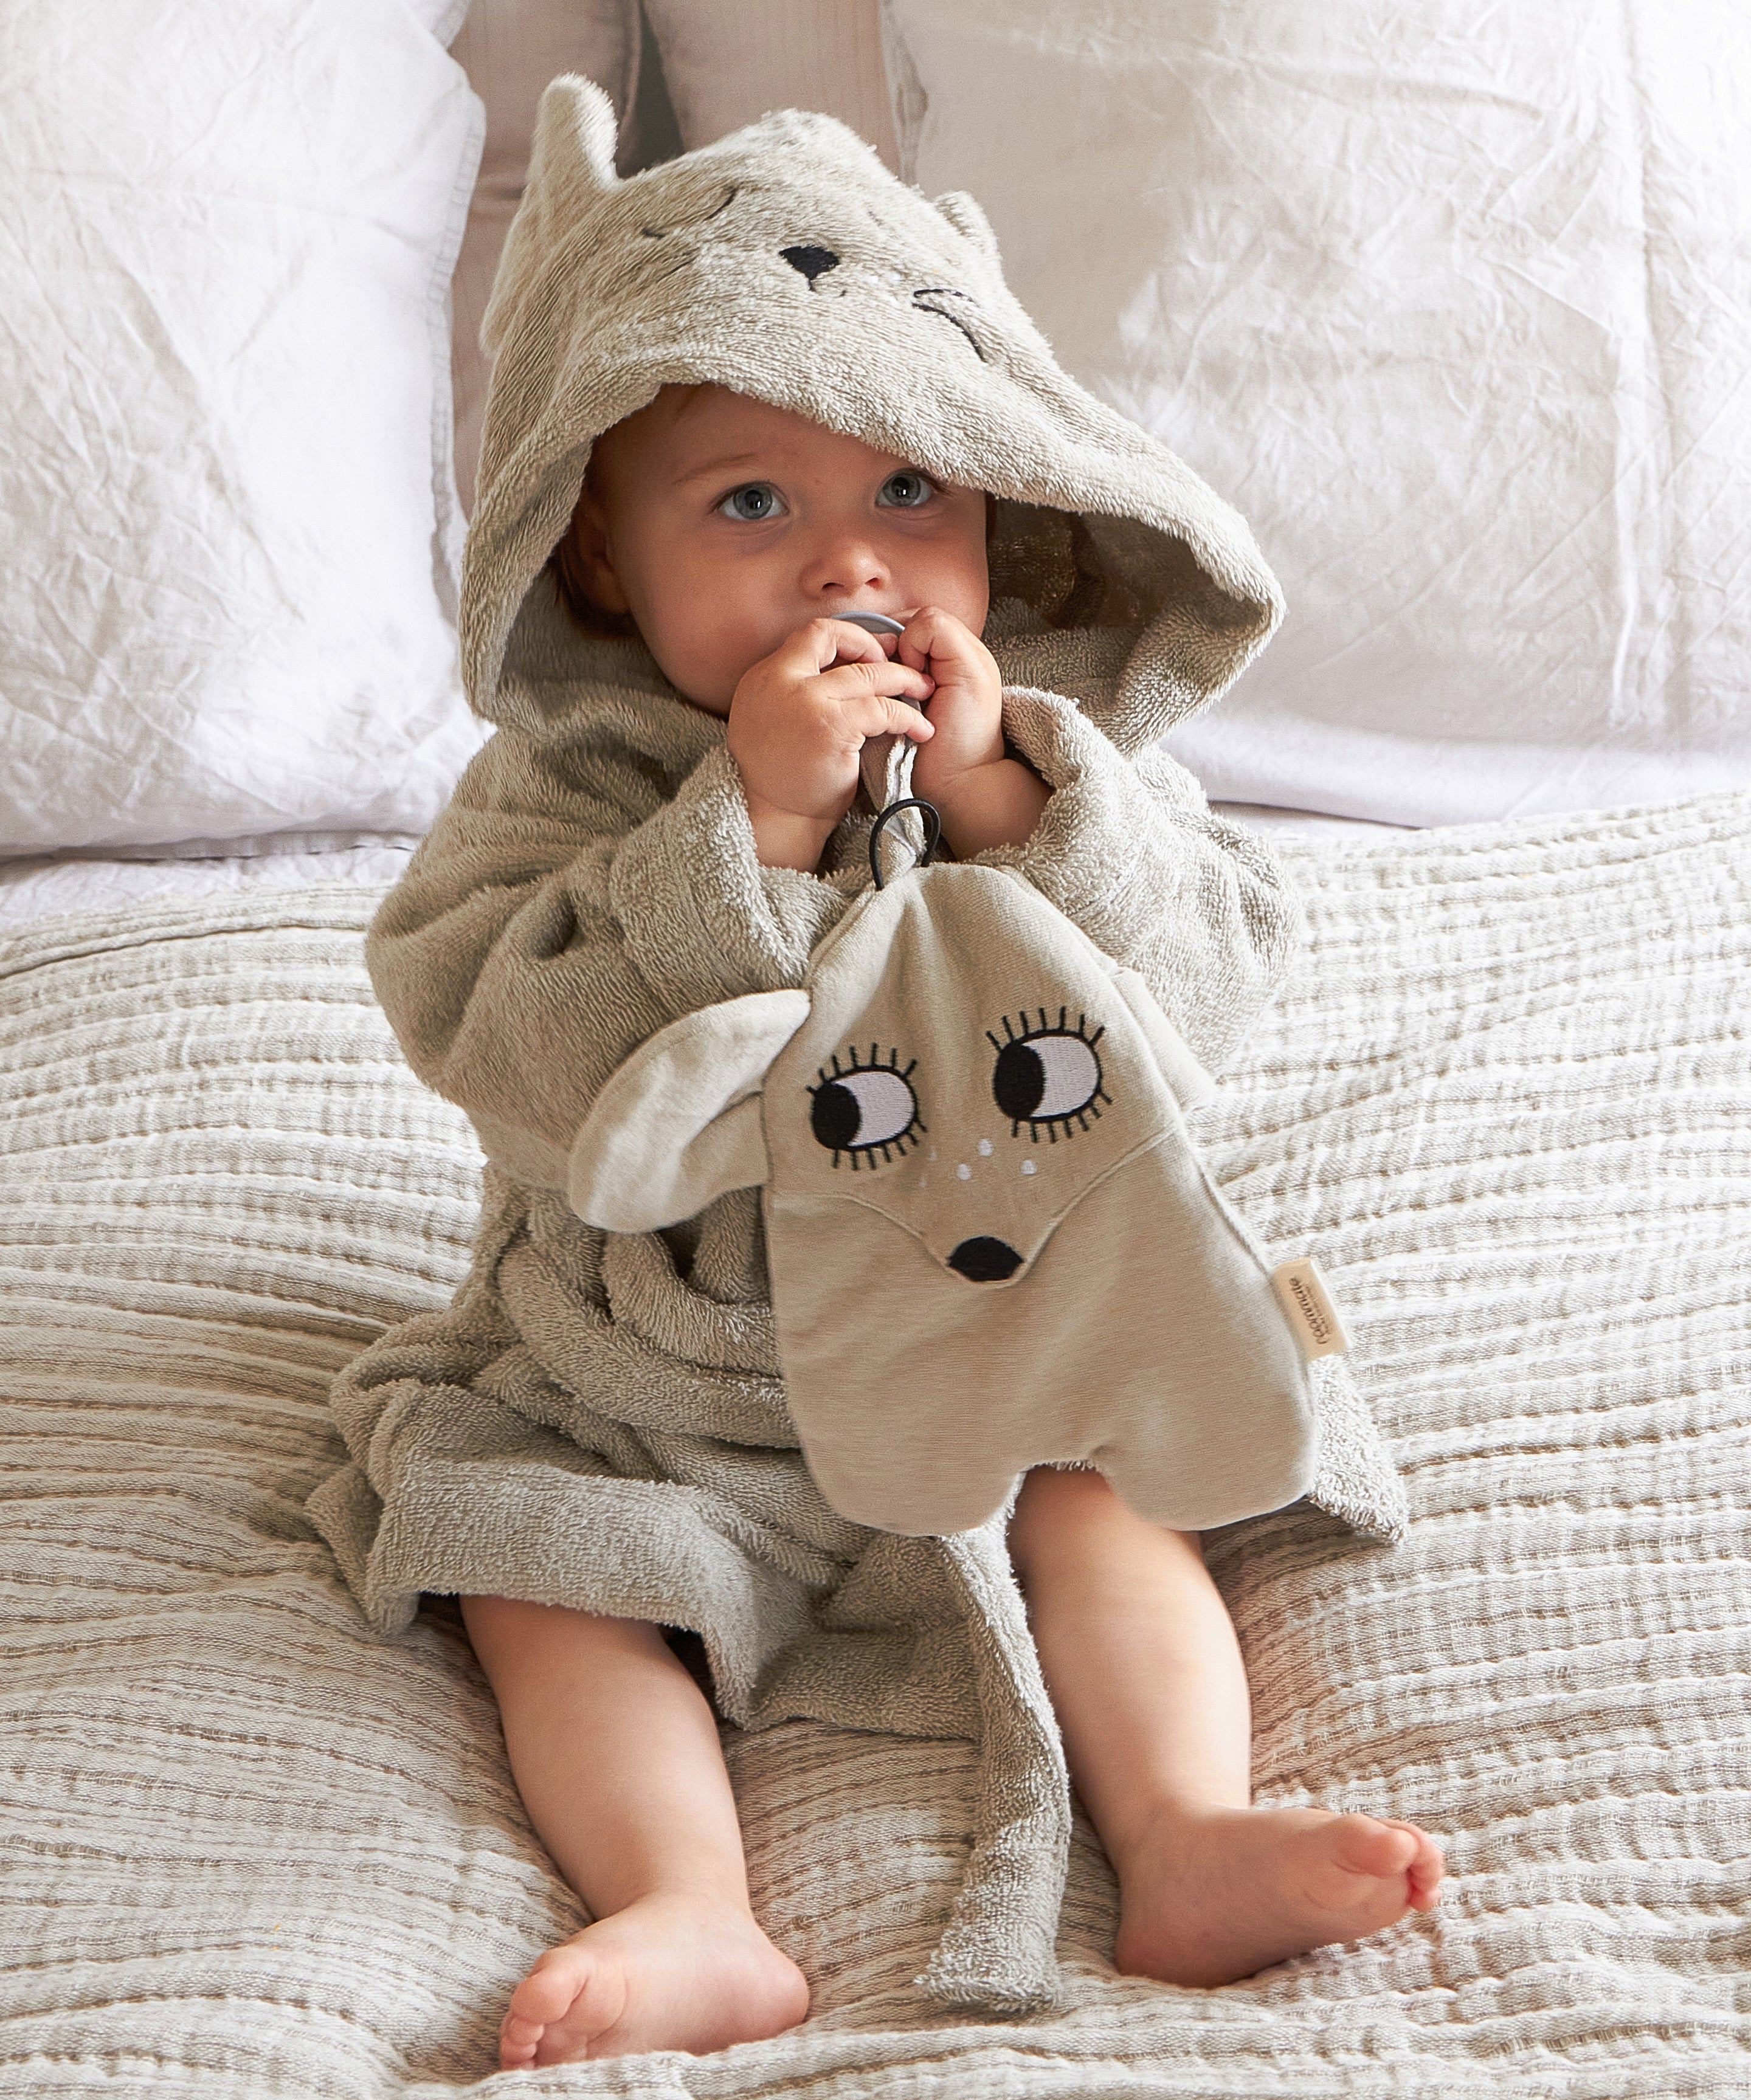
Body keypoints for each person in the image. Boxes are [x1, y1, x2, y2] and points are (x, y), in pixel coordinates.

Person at [310, 83, 1438, 2075]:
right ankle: (688, 1904)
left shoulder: (1048, 759)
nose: (856, 569)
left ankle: (1180, 1829)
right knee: (536, 1559)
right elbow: (497, 1038)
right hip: (659, 1390)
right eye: (751, 505)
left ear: (1007, 501)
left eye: (915, 494)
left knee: (1114, 1492)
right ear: (593, 561)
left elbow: (1211, 997)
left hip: (1010, 1337)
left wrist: (1027, 811)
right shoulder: (566, 793)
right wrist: (739, 838)